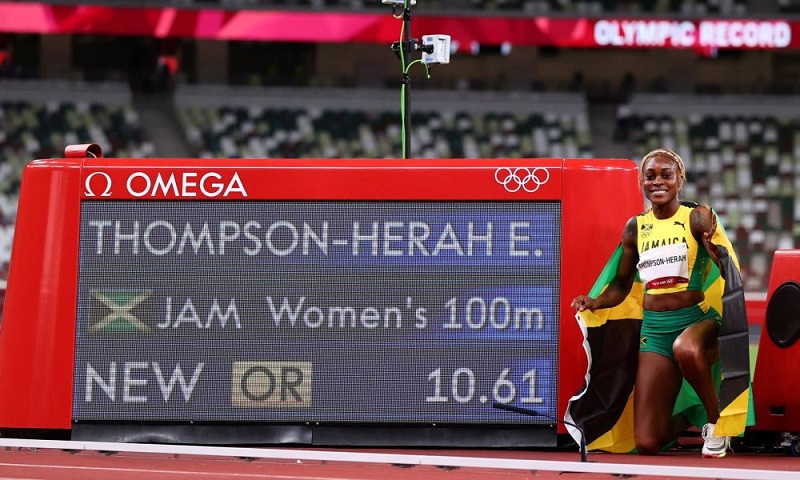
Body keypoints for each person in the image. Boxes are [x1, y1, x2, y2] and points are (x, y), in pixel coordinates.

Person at [570, 148, 735, 458]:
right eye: (650, 176)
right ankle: (692, 415)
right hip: (655, 332)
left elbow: (727, 269)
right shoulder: (635, 228)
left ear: (679, 179)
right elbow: (621, 285)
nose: (658, 181)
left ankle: (717, 424)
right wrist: (595, 302)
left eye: (666, 175)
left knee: (686, 348)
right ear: (641, 182)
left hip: (697, 321)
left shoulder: (697, 216)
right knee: (647, 443)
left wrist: (719, 256)